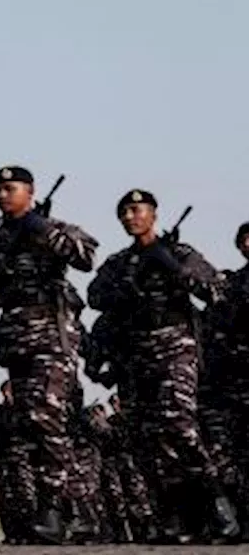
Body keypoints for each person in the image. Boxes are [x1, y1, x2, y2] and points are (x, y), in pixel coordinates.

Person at [0, 166, 97, 543]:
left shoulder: (49, 227)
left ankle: (56, 507)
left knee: (48, 419)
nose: (3, 194)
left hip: (51, 337)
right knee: (32, 424)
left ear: (30, 192)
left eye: (10, 188)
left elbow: (84, 256)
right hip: (16, 340)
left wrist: (38, 227)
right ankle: (65, 510)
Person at [87, 190, 238, 542]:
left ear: (153, 214)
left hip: (175, 349)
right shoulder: (118, 262)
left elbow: (215, 290)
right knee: (146, 437)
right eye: (124, 211)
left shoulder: (179, 253)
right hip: (135, 355)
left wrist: (169, 264)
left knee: (180, 425)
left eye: (137, 210)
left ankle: (218, 500)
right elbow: (95, 297)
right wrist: (126, 284)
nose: (130, 217)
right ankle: (177, 514)